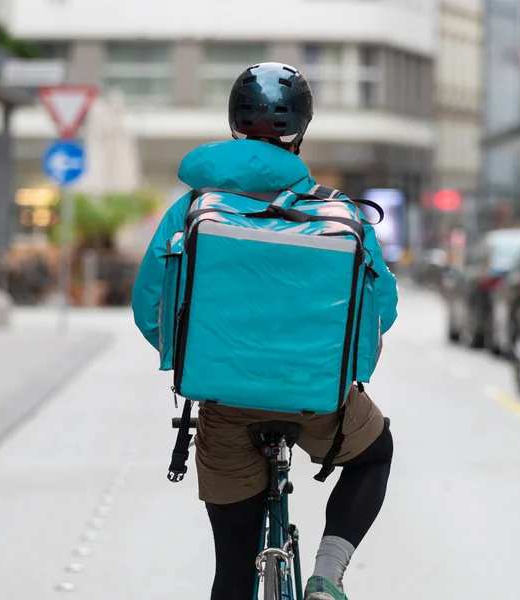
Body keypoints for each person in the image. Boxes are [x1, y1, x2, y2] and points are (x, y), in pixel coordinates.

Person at [132, 62, 399, 600]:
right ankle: (326, 575)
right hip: (320, 401)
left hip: (225, 404)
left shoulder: (191, 210)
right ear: (301, 129)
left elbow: (150, 308)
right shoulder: (338, 212)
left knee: (231, 570)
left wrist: (197, 357)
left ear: (234, 122)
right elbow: (382, 310)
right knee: (376, 452)